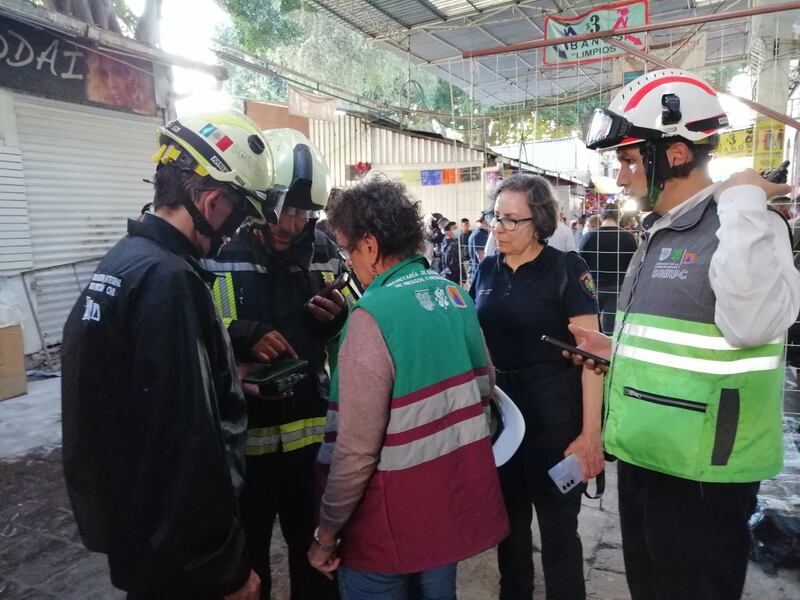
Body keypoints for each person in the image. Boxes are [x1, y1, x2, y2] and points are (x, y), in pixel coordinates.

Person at [581, 68, 800, 600]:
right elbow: (691, 339)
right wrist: (618, 350)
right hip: (645, 457)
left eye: (630, 160)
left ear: (675, 153)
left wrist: (744, 199)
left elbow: (750, 326)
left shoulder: (749, 225)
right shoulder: (662, 230)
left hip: (702, 476)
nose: (620, 176)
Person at [61, 110, 273, 600]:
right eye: (238, 216)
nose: (232, 233)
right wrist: (225, 569)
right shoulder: (170, 282)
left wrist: (224, 382)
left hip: (138, 539)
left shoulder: (122, 263)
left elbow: (132, 404)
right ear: (213, 201)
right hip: (183, 561)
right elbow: (183, 443)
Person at [308, 178, 509, 599]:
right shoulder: (454, 296)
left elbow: (356, 451)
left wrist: (326, 531)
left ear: (370, 245)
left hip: (386, 528)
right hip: (446, 512)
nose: (350, 262)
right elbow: (486, 386)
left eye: (348, 250)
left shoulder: (371, 316)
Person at [204, 129, 346, 600]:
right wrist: (235, 334)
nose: (293, 224)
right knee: (249, 569)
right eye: (285, 209)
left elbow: (349, 333)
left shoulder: (325, 250)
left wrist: (336, 320)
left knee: (317, 564)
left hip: (309, 441)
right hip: (243, 449)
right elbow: (188, 333)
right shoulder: (220, 248)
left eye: (306, 213)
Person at [469, 174, 604, 600]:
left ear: (539, 221)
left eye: (512, 220)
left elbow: (594, 361)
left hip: (554, 419)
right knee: (508, 533)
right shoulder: (487, 269)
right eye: (496, 217)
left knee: (559, 535)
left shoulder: (566, 269)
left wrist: (589, 436)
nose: (499, 228)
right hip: (503, 420)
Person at [579, 203, 638, 334]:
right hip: (618, 287)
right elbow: (634, 265)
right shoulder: (628, 237)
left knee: (591, 326)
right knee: (611, 328)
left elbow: (581, 263)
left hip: (593, 287)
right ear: (619, 216)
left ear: (601, 216)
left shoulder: (589, 236)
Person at [468, 211, 491, 275]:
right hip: (481, 272)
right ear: (484, 221)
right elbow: (481, 258)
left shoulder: (477, 233)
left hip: (477, 271)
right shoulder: (480, 235)